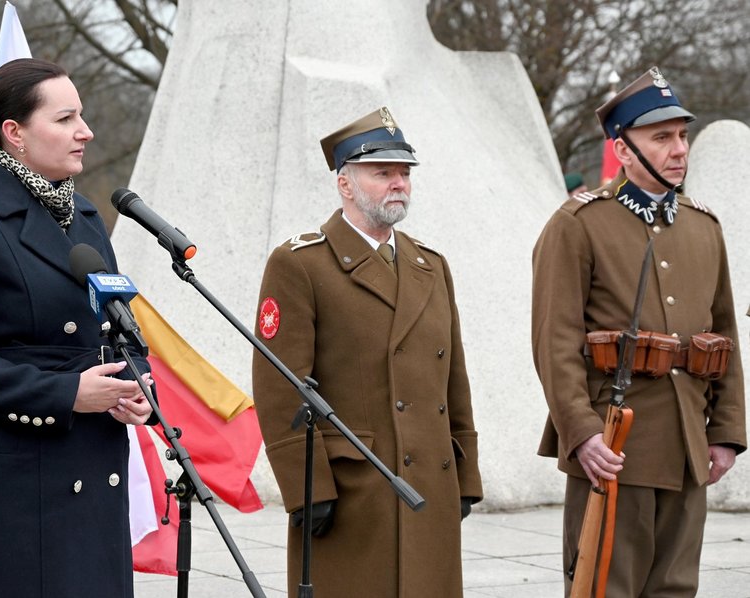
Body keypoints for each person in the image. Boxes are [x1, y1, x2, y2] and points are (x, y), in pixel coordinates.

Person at [0, 58, 154, 597]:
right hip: (16, 501)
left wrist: (136, 383)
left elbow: (117, 329)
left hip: (94, 485)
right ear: (14, 132)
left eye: (81, 116)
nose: (85, 131)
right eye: (65, 119)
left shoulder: (83, 216)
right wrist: (66, 393)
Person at [532, 66, 746, 596]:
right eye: (662, 138)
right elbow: (554, 342)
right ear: (623, 150)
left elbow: (724, 336)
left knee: (676, 588)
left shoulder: (704, 227)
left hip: (687, 446)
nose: (679, 150)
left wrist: (725, 432)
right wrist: (582, 432)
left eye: (682, 135)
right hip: (614, 445)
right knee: (605, 587)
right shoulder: (578, 225)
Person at [252, 107, 483, 597]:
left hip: (431, 486)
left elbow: (453, 380)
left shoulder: (430, 265)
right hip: (354, 489)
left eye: (404, 173)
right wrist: (306, 487)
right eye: (382, 173)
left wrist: (464, 474)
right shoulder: (301, 264)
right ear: (345, 184)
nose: (399, 184)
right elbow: (280, 387)